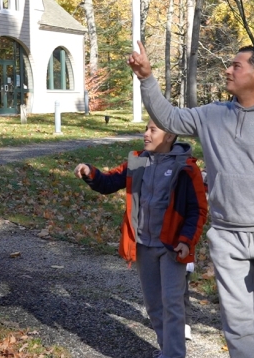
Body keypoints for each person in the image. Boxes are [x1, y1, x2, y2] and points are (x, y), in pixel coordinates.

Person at [129, 43, 254, 358]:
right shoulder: (213, 115)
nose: (228, 70)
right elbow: (170, 118)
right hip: (227, 235)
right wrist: (147, 78)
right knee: (237, 323)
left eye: (236, 65)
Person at [76, 119, 208, 358]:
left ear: (169, 136)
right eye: (146, 129)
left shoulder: (186, 168)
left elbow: (197, 210)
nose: (145, 134)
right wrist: (90, 172)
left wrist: (186, 240)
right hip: (144, 245)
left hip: (172, 247)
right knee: (154, 305)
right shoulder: (137, 162)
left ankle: (175, 354)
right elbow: (108, 182)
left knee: (172, 304)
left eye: (152, 130)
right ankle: (166, 349)